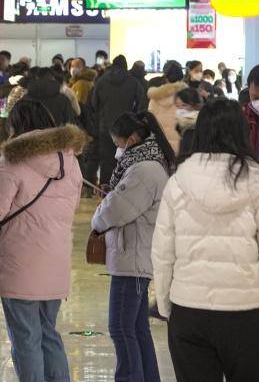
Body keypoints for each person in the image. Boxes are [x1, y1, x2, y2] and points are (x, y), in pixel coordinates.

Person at [152, 98, 259, 382]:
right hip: (246, 313)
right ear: (241, 131)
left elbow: (162, 253)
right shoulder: (258, 181)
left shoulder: (178, 181)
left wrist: (166, 306)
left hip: (189, 310)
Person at [0, 99, 87, 382]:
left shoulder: (14, 159)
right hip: (56, 258)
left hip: (20, 261)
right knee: (48, 332)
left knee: (26, 337)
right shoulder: (70, 160)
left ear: (18, 125)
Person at [91, 111, 175, 382]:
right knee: (136, 328)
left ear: (133, 138)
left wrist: (99, 215)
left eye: (119, 141)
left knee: (120, 328)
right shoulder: (146, 162)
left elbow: (116, 210)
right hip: (137, 253)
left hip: (134, 258)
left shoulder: (143, 169)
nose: (117, 148)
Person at [90, 55, 148, 186]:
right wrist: (133, 117)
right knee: (126, 157)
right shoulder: (133, 82)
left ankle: (105, 187)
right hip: (126, 127)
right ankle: (123, 185)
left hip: (105, 126)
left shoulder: (101, 81)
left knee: (106, 158)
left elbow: (94, 103)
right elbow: (141, 103)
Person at [147, 77, 188, 153]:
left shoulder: (155, 97)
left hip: (159, 144)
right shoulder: (185, 97)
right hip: (181, 145)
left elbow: (150, 122)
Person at [174, 87, 202, 158]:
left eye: (184, 105)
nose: (180, 110)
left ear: (196, 105)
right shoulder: (183, 126)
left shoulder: (199, 126)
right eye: (177, 106)